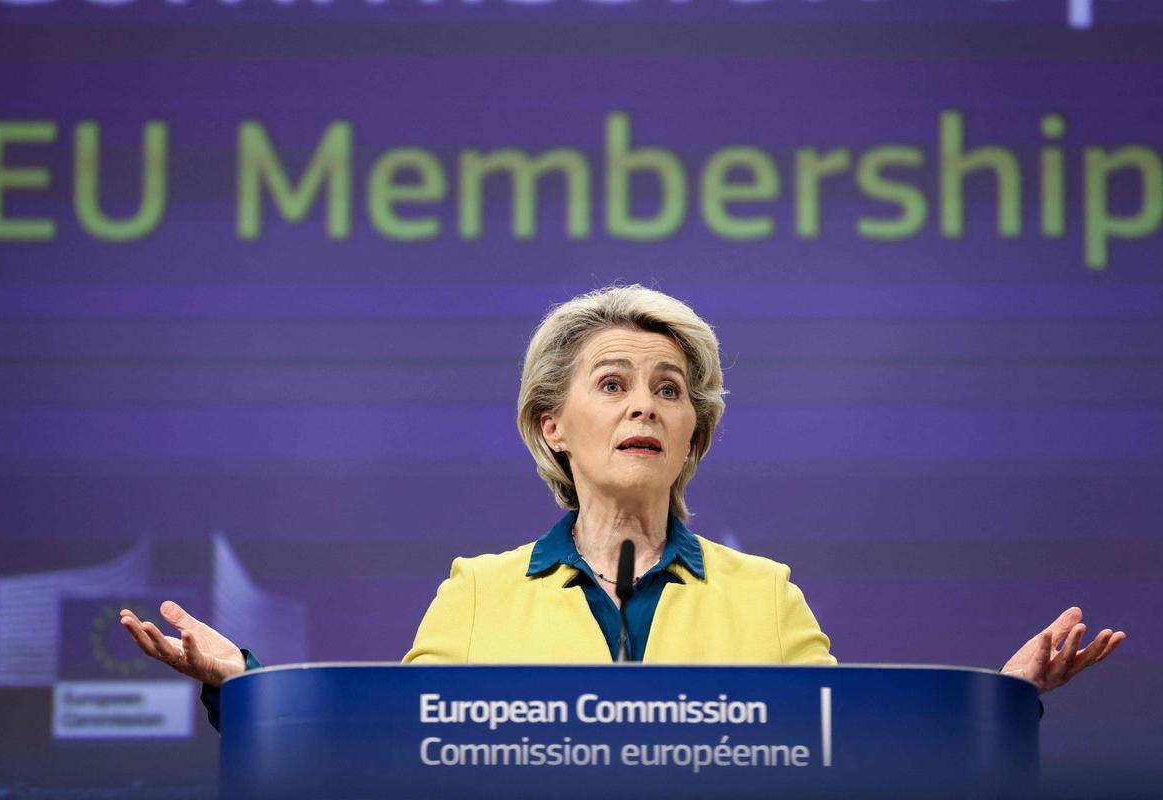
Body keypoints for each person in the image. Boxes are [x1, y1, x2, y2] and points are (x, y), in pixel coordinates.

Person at [119, 285, 1125, 723]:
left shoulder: (767, 595)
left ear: (695, 431)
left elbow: (852, 754)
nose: (645, 398)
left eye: (670, 386)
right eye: (612, 379)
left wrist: (998, 704)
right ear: (552, 423)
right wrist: (242, 683)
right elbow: (386, 750)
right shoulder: (476, 592)